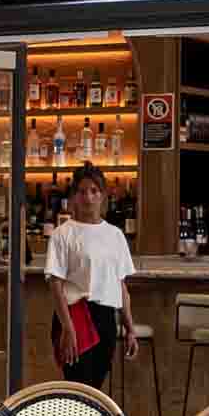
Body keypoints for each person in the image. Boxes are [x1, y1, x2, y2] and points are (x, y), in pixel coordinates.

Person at [45, 162, 138, 389]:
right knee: (79, 388)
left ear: (103, 195)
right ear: (74, 196)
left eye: (94, 191)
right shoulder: (62, 234)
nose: (88, 197)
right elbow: (55, 285)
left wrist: (130, 328)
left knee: (95, 389)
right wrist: (67, 328)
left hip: (106, 317)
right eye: (82, 191)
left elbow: (121, 287)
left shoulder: (115, 235)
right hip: (75, 314)